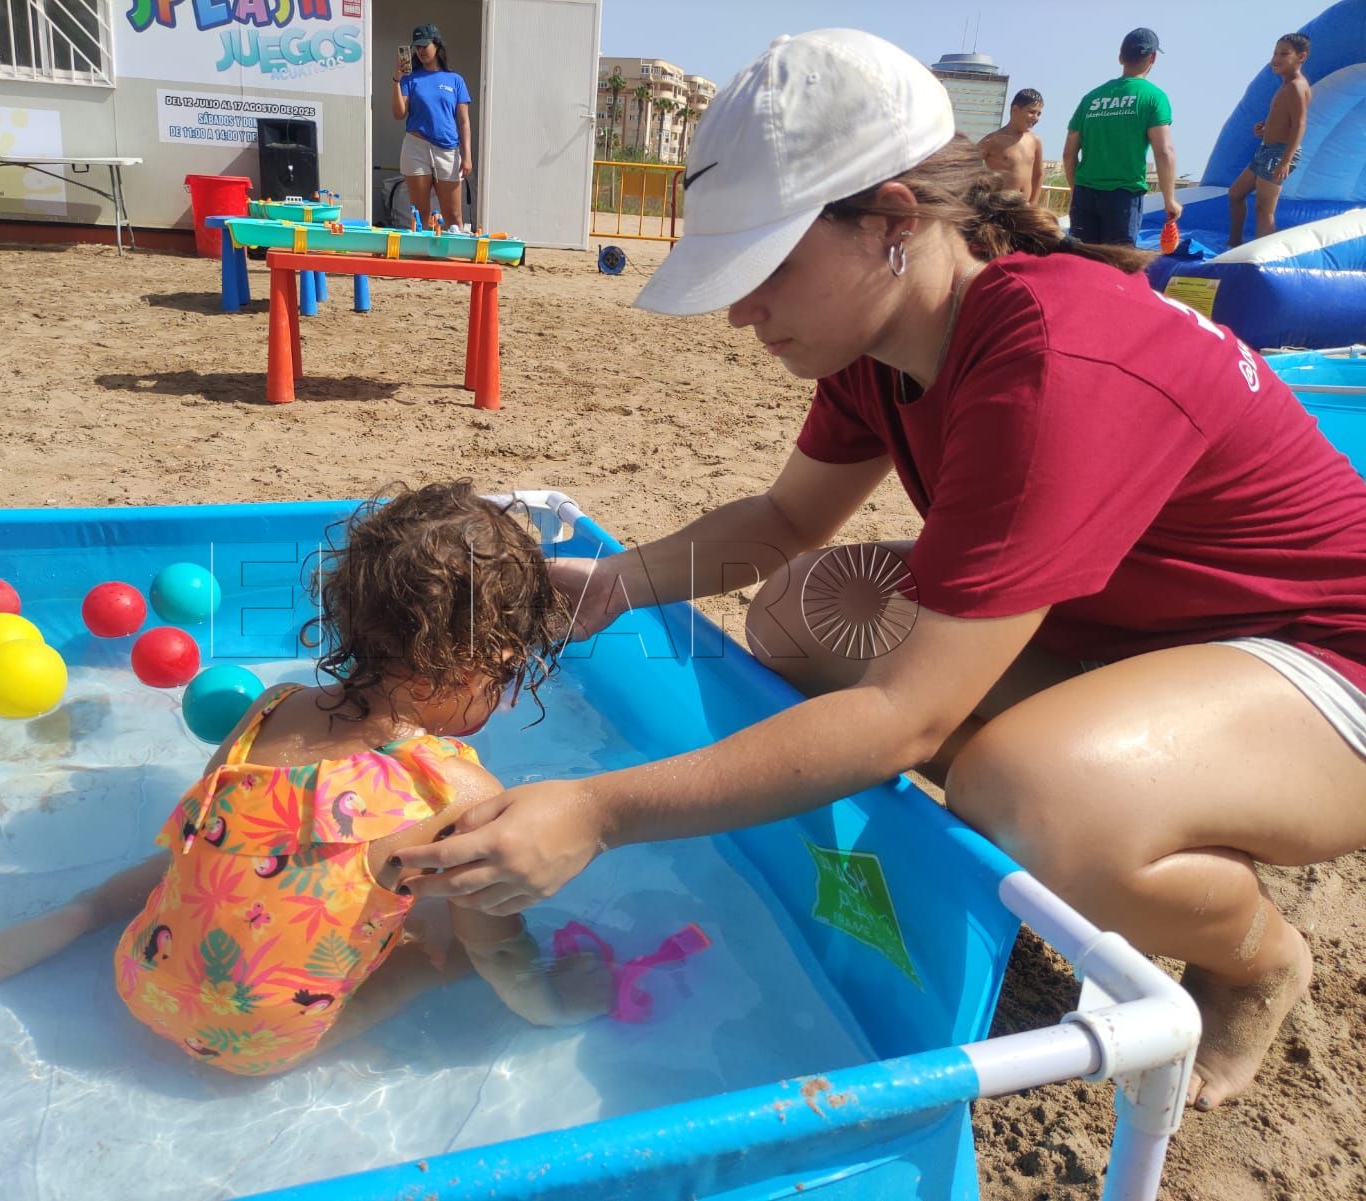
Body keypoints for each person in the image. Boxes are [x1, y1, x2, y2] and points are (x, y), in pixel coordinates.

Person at [396, 29, 1366, 1116]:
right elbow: (784, 519)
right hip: (1133, 629)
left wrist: (596, 810)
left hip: (1320, 664)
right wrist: (620, 580)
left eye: (765, 267)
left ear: (893, 221)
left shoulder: (1051, 355)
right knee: (813, 609)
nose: (739, 309)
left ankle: (1254, 958)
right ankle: (1056, 813)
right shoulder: (887, 343)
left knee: (1029, 790)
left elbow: (903, 717)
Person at [0, 481, 608, 1075]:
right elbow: (498, 953)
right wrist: (551, 1004)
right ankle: (408, 981)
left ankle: (80, 913)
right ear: (483, 662)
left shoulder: (276, 707)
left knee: (207, 850)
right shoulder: (456, 792)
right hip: (251, 1048)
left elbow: (194, 836)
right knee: (449, 947)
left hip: (141, 973)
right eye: (507, 676)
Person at [1063, 28, 1181, 245]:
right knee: (1118, 267)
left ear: (1121, 57)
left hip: (1085, 195)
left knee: (1082, 265)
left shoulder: (1091, 98)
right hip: (1123, 197)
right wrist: (1169, 199)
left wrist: (1076, 190)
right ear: (1152, 58)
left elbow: (1069, 153)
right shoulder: (1153, 97)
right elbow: (1164, 151)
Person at [1227, 33, 1312, 247]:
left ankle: (1262, 255)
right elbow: (1283, 119)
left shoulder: (1296, 86)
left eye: (1284, 54)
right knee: (1236, 193)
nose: (1276, 58)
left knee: (1264, 209)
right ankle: (1234, 243)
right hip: (1267, 150)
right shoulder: (1285, 85)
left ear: (1301, 56)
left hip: (1279, 153)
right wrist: (1266, 128)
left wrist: (1285, 160)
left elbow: (1299, 124)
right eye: (1275, 53)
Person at [391, 23, 473, 231]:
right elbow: (399, 113)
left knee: (453, 216)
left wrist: (467, 156)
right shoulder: (410, 78)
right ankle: (424, 260)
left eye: (424, 45)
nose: (420, 51)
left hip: (447, 150)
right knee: (421, 214)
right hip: (416, 147)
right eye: (416, 47)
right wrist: (396, 80)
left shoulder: (455, 80)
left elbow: (463, 121)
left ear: (436, 45)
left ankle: (453, 261)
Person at [977, 88, 1045, 206]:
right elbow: (967, 165)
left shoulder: (1035, 141)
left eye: (1039, 114)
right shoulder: (993, 140)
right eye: (1032, 112)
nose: (1036, 117)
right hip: (999, 206)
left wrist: (1033, 203)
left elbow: (1038, 174)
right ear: (1015, 110)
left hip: (1024, 207)